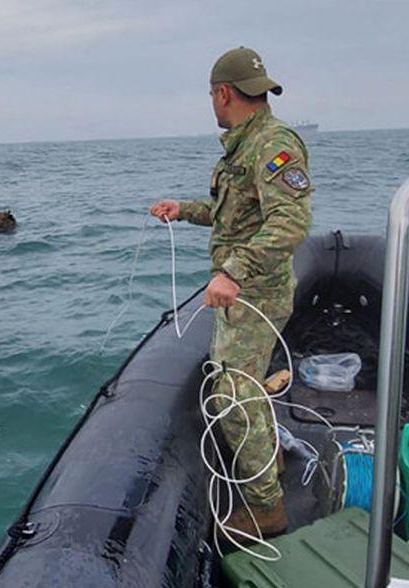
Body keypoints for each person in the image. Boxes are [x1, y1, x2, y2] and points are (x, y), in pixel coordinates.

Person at [150, 47, 313, 539]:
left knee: (230, 393)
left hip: (255, 293)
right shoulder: (243, 147)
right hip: (242, 292)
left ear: (223, 93)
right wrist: (184, 208)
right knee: (244, 381)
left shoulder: (273, 143)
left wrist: (235, 271)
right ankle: (274, 462)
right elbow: (234, 213)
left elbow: (291, 219)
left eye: (212, 96)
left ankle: (267, 507)